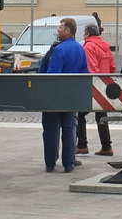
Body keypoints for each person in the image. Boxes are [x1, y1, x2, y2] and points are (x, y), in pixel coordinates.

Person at [40, 17, 89, 173]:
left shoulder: (59, 50)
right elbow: (85, 73)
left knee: (51, 129)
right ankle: (69, 163)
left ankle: (50, 162)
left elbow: (51, 76)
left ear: (68, 31)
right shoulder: (80, 49)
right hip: (72, 94)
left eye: (60, 28)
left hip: (55, 96)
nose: (58, 31)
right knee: (69, 128)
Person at [77, 23, 115, 157]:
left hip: (93, 84)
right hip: (104, 84)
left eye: (84, 33)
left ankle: (82, 145)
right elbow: (112, 67)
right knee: (101, 116)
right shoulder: (105, 46)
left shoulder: (89, 46)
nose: (83, 35)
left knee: (79, 115)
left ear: (88, 33)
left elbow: (91, 68)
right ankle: (106, 146)